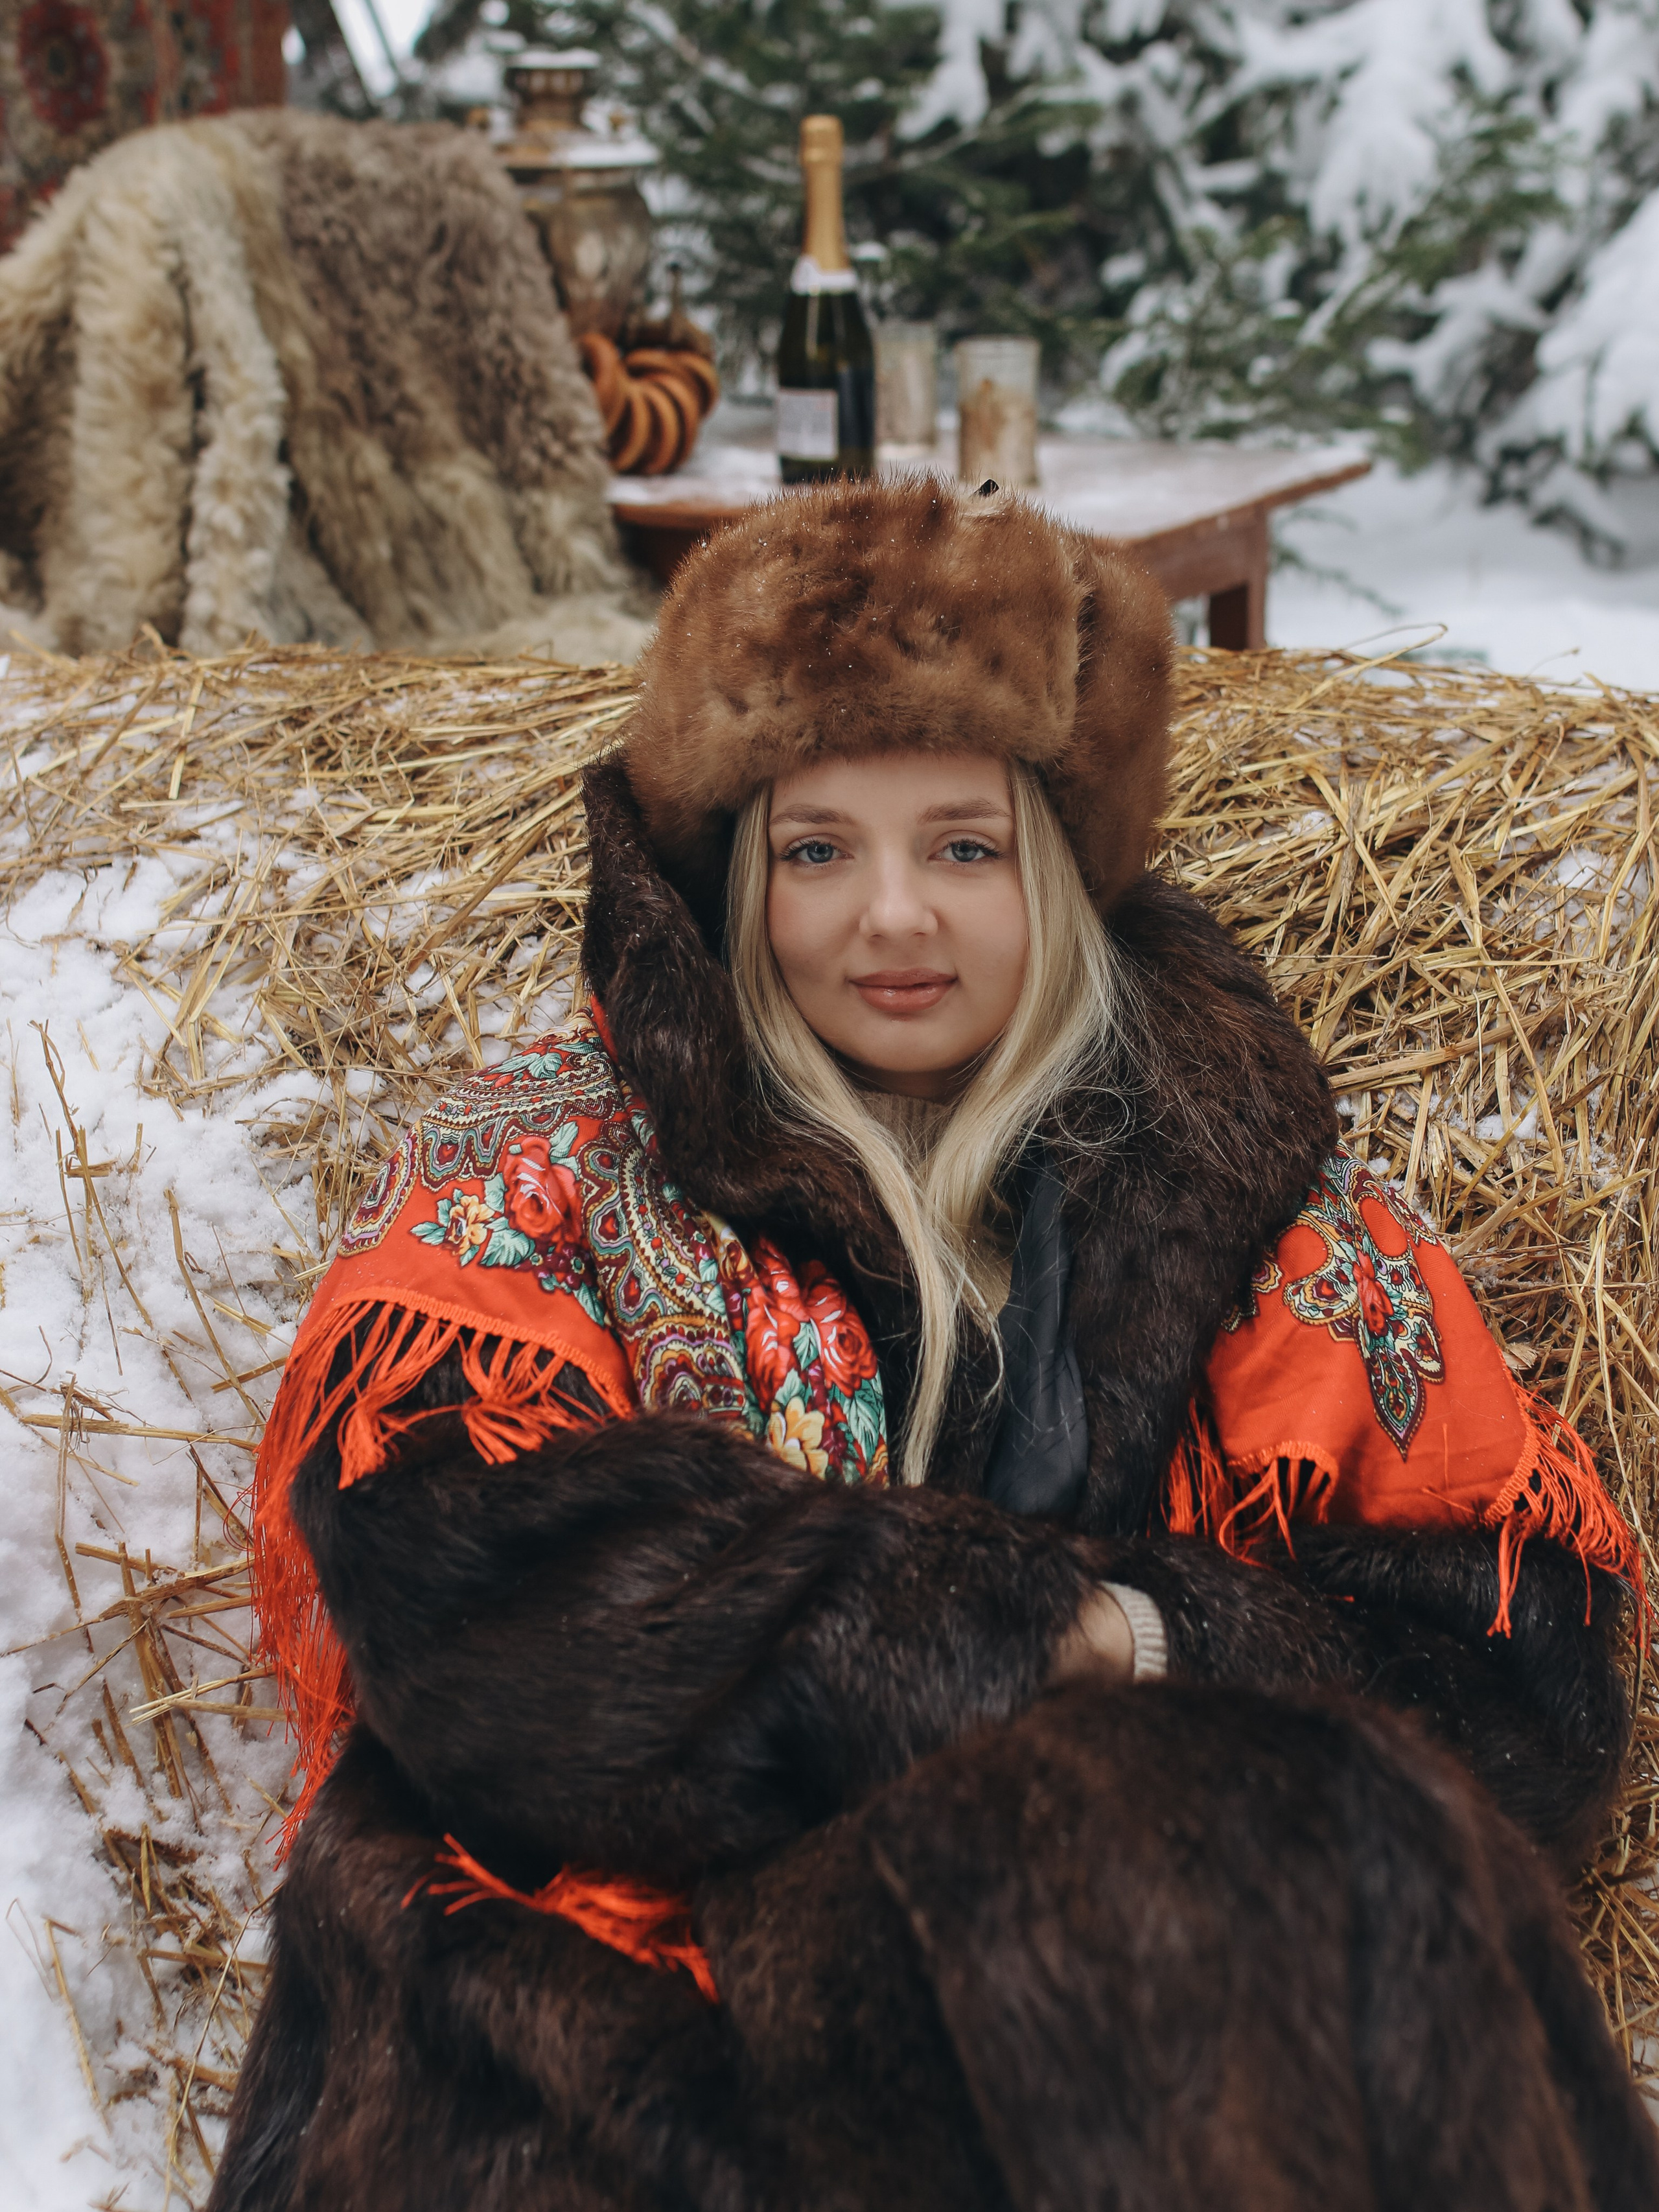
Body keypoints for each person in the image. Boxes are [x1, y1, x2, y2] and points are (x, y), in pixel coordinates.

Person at [213, 480, 1656, 2212]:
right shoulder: (558, 1169)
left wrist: (1151, 1639)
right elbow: (461, 1580)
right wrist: (1002, 1637)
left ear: (1051, 869)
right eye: (820, 848)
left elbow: (1514, 1668)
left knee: (1296, 1877)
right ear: (744, 875)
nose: (892, 917)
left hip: (1131, 1970)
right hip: (632, 1957)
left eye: (961, 848)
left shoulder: (1244, 1200)